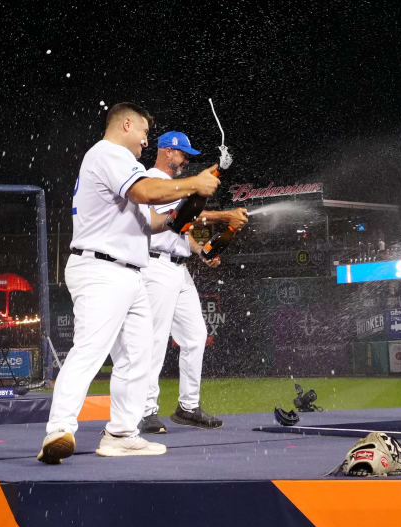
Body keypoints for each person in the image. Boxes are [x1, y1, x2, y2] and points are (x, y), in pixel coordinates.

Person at [38, 103, 221, 464]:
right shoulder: (108, 153)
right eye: (142, 132)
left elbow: (149, 222)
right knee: (91, 349)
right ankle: (58, 429)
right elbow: (145, 193)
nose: (144, 140)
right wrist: (194, 183)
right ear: (125, 124)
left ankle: (121, 433)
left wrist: (178, 216)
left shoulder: (122, 163)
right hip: (101, 268)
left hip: (128, 271)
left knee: (138, 357)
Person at [138, 131, 248, 435]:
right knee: (155, 340)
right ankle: (144, 411)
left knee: (196, 335)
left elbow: (182, 226)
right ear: (167, 151)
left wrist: (202, 252)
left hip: (178, 268)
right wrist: (224, 215)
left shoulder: (177, 185)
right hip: (154, 265)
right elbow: (177, 217)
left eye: (187, 155)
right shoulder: (152, 180)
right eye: (182, 154)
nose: (186, 160)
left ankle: (187, 407)